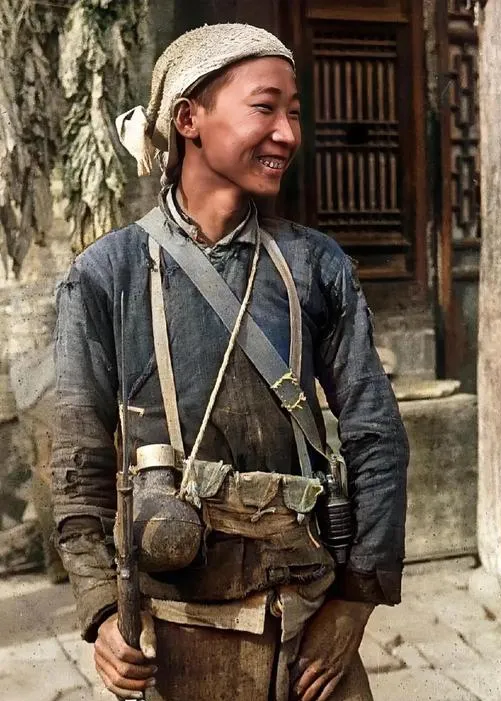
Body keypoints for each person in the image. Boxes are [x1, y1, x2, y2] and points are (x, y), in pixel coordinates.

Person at [52, 23, 409, 701]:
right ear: (189, 119)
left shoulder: (315, 265)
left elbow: (377, 437)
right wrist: (101, 611)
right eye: (265, 108)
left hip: (303, 631)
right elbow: (79, 462)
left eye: (293, 112)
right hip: (165, 634)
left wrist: (354, 605)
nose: (287, 133)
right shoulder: (106, 276)